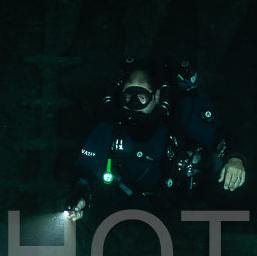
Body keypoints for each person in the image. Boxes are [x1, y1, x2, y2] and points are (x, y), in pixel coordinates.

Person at [64, 56, 246, 222]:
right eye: (128, 97)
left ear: (157, 96)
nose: (134, 105)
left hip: (184, 207)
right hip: (125, 211)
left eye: (141, 97)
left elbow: (222, 136)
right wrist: (80, 197)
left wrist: (235, 160)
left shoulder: (182, 114)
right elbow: (87, 167)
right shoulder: (110, 126)